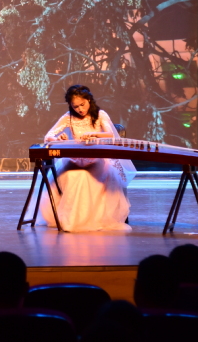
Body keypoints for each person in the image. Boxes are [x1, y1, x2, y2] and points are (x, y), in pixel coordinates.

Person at [35, 84, 136, 232]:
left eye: (82, 104)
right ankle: (72, 219)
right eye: (75, 107)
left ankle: (90, 219)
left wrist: (94, 134)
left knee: (86, 177)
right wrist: (57, 138)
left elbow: (110, 134)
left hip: (97, 158)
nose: (80, 109)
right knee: (72, 176)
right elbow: (48, 136)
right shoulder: (68, 117)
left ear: (88, 100)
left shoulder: (100, 114)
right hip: (76, 159)